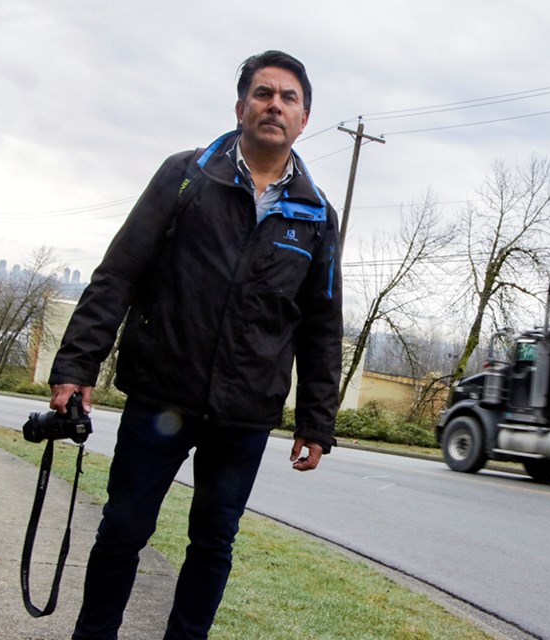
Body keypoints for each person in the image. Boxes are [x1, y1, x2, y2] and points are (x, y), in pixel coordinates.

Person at [48, 50, 342, 639]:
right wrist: (77, 363)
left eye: (288, 98)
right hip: (162, 394)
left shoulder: (315, 217)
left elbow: (320, 325)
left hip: (245, 413)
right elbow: (119, 274)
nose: (274, 105)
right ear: (241, 106)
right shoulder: (185, 176)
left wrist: (316, 419)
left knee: (213, 544)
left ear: (304, 118)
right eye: (263, 93)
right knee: (123, 530)